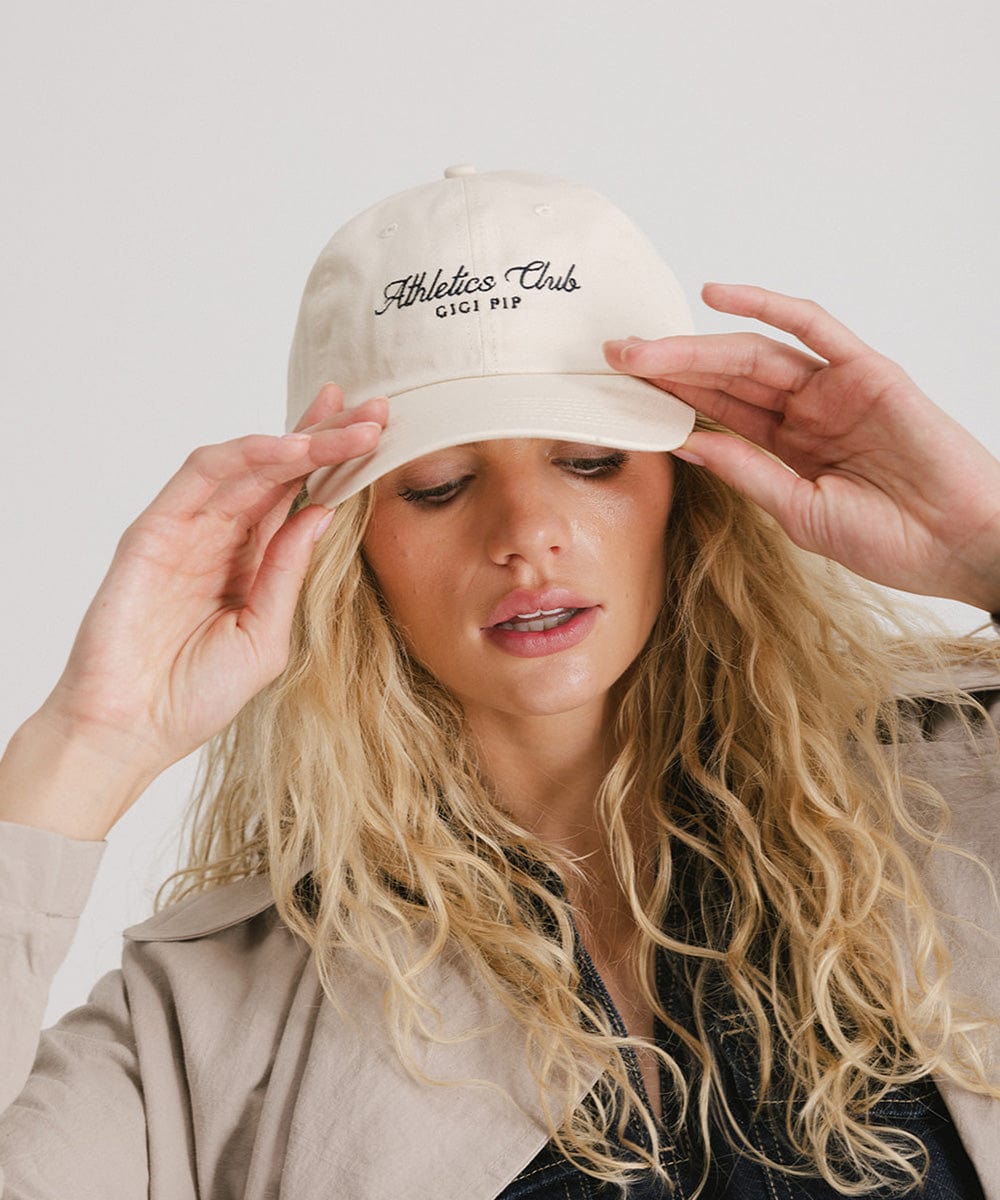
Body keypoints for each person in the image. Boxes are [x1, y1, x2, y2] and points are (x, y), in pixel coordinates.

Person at [1, 165, 999, 1199]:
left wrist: (986, 550)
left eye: (588, 461)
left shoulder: (960, 797)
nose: (527, 535)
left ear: (687, 486)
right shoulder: (213, 1019)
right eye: (439, 486)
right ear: (346, 544)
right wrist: (86, 744)